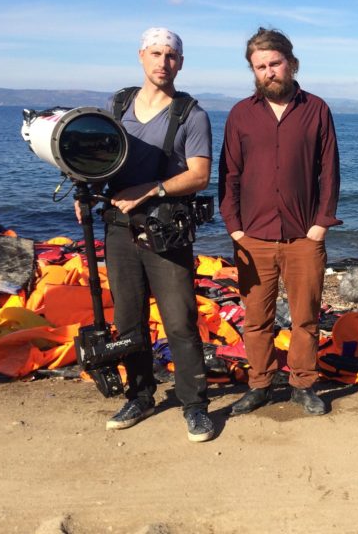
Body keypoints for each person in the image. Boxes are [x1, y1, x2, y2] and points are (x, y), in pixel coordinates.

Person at [90, 27, 214, 442]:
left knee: (179, 320)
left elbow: (199, 175)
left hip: (166, 232)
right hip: (119, 230)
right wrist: (86, 188)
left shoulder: (191, 114)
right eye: (156, 54)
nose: (163, 62)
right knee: (128, 320)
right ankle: (140, 394)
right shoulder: (118, 104)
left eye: (172, 56)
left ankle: (194, 404)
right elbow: (101, 154)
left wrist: (152, 189)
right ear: (142, 56)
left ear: (181, 62)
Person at [218, 28, 341, 416]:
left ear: (291, 63)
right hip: (252, 236)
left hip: (304, 236)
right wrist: (234, 227)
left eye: (275, 63)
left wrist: (321, 224)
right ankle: (260, 384)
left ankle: (303, 384)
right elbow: (229, 175)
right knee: (256, 319)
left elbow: (329, 171)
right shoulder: (241, 113)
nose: (269, 72)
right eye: (260, 67)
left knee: (305, 317)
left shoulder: (316, 108)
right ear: (253, 72)